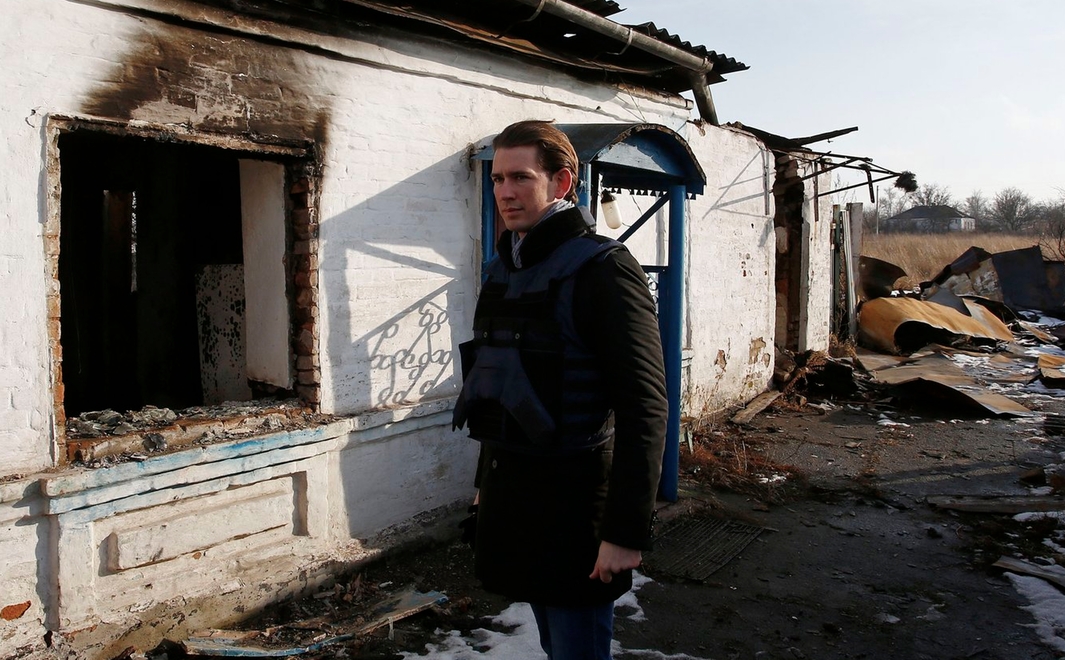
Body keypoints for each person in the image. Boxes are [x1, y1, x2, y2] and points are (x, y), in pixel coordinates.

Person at [453, 119, 668, 660]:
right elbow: (497, 384)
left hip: (576, 506)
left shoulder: (603, 270)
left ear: (562, 182)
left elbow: (645, 407)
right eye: (498, 178)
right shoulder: (502, 269)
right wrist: (484, 488)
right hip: (514, 495)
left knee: (577, 647)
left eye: (520, 177)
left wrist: (625, 532)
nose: (504, 192)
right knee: (553, 644)